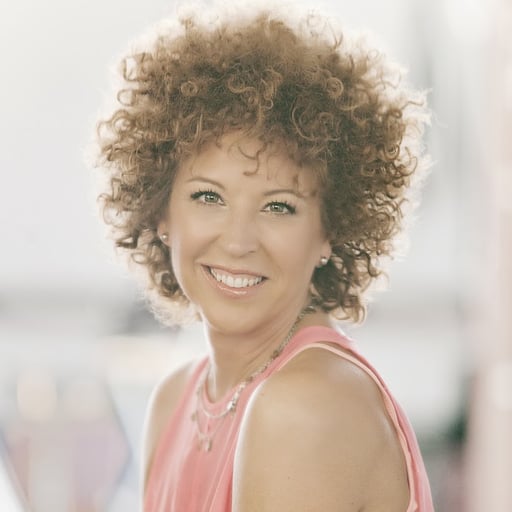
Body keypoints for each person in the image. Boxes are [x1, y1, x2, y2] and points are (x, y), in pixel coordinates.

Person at [94, 4, 434, 511]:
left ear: (330, 231)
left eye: (279, 206)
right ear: (160, 212)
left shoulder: (305, 404)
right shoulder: (174, 402)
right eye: (208, 196)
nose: (238, 241)